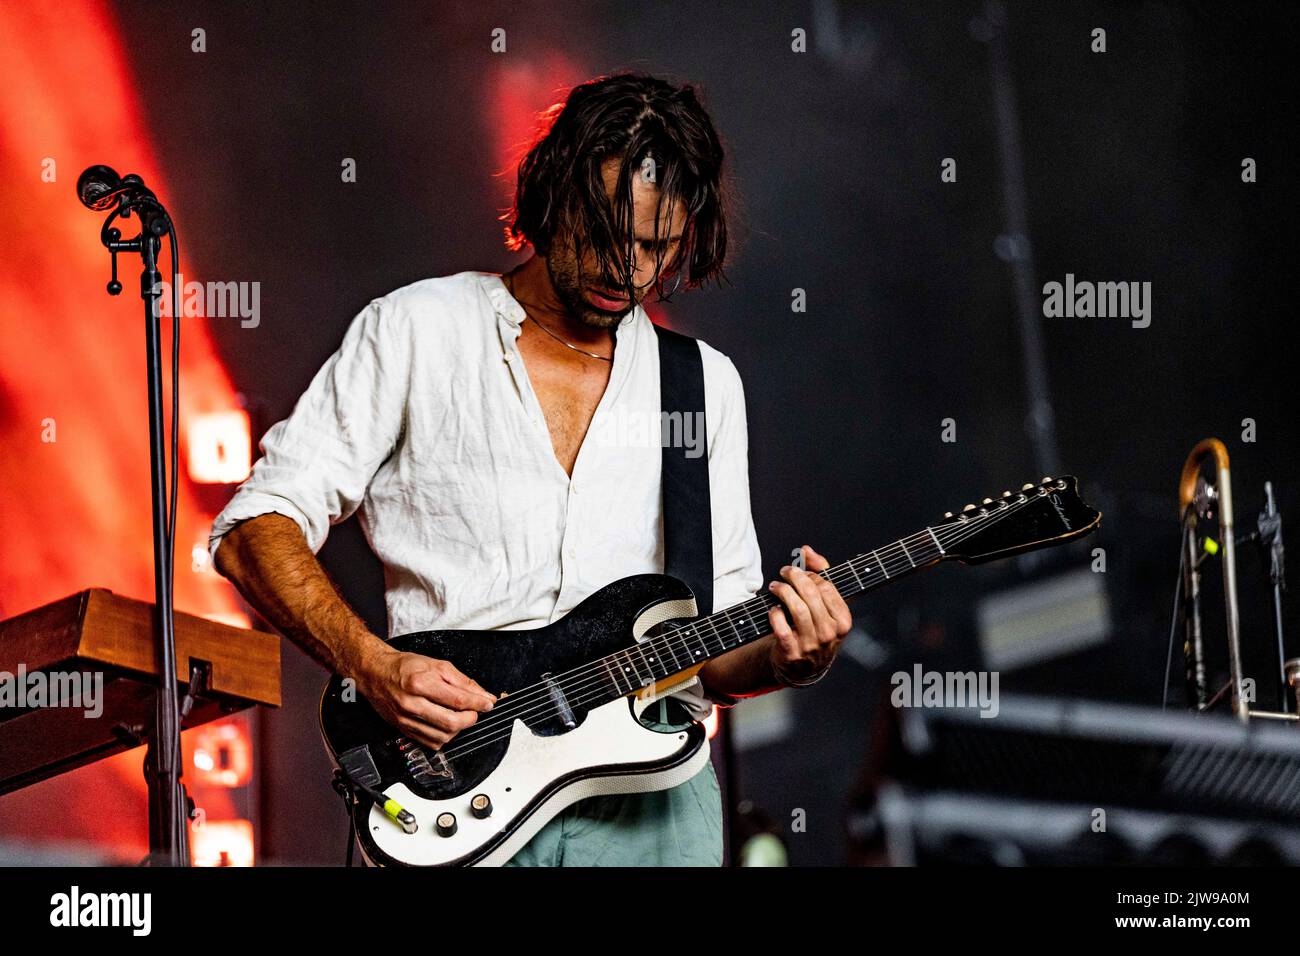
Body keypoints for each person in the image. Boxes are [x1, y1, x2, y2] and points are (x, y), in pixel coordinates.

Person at [209, 72, 851, 866]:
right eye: (606, 232)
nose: (629, 268)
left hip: (654, 812)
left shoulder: (702, 384)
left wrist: (793, 657)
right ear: (551, 194)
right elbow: (254, 527)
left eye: (656, 246)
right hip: (457, 794)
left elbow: (713, 654)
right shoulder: (417, 331)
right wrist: (370, 664)